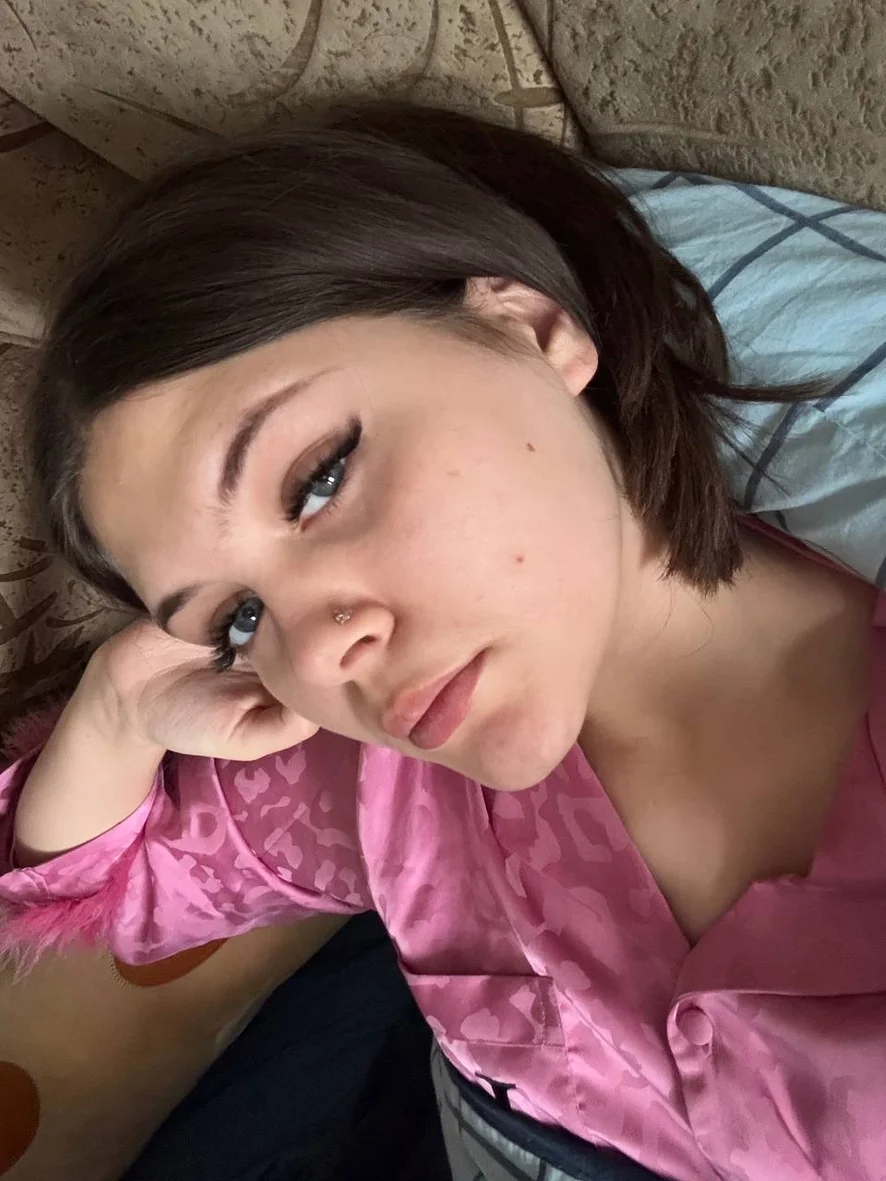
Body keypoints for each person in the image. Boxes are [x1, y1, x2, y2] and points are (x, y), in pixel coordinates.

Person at [1, 102, 883, 1181]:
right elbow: (105, 891)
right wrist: (116, 708)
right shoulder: (381, 781)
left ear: (533, 328)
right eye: (238, 618)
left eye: (318, 479)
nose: (319, 654)